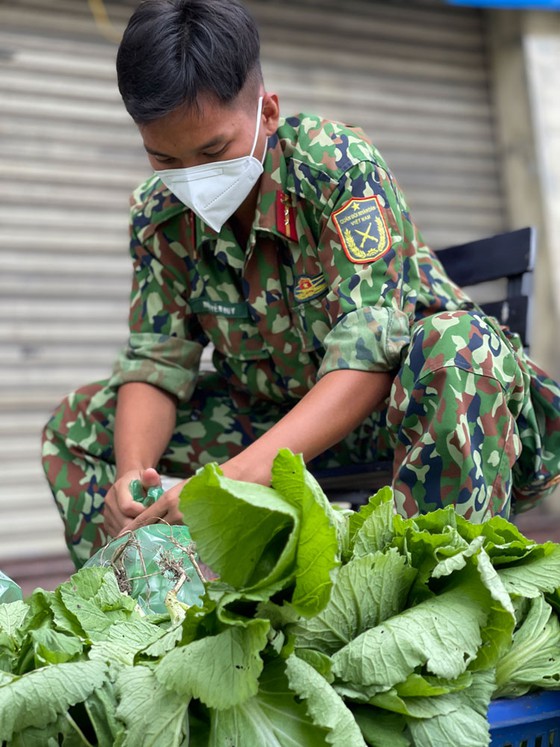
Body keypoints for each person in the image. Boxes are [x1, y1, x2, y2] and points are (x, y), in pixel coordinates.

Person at [42, 0, 560, 569]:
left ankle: (436, 591)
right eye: (163, 156)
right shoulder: (158, 214)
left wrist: (230, 480)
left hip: (432, 411)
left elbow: (369, 355)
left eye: (214, 150)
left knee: (455, 342)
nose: (192, 177)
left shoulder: (335, 167)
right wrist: (131, 481)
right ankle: (148, 614)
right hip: (281, 424)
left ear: (267, 111)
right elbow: (156, 362)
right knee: (82, 424)